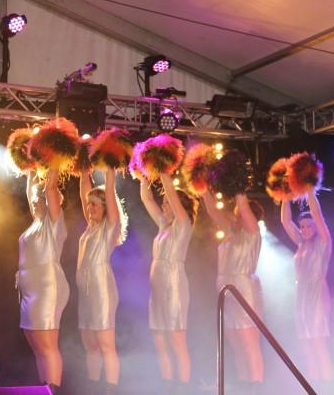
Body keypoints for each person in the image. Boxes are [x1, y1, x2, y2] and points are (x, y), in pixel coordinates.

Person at [138, 173, 197, 394]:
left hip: (174, 284)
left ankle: (183, 388)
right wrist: (143, 179)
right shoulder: (164, 225)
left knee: (176, 340)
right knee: (160, 339)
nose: (163, 206)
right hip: (158, 287)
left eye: (167, 203)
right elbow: (147, 200)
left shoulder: (184, 224)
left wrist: (162, 169)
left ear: (178, 206)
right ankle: (168, 386)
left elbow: (171, 193)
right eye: (163, 203)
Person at [202, 191, 265, 391]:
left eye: (239, 215)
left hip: (244, 290)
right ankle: (243, 386)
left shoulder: (252, 233)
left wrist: (238, 189)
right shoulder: (231, 232)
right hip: (226, 292)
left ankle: (256, 388)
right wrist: (202, 187)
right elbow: (213, 211)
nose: (235, 217)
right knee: (236, 344)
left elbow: (243, 207)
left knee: (249, 343)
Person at [16, 170, 68, 394]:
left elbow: (51, 187)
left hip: (47, 288)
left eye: (40, 198)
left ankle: (54, 390)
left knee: (47, 345)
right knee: (38, 347)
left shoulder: (53, 222)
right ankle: (44, 389)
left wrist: (53, 160)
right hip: (30, 290)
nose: (35, 201)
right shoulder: (35, 222)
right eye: (34, 198)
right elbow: (31, 190)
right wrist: (30, 166)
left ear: (50, 201)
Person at [77, 169, 127, 395]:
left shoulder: (109, 227)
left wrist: (109, 170)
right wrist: (83, 171)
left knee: (106, 344)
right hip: (86, 292)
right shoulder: (91, 228)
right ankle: (93, 387)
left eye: (94, 205)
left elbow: (109, 193)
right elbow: (84, 194)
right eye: (89, 205)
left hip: (101, 289)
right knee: (90, 344)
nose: (89, 208)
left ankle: (111, 390)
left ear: (106, 207)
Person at [281, 191, 332, 381]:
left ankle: (328, 388)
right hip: (301, 296)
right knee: (306, 346)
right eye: (302, 226)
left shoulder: (323, 241)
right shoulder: (301, 243)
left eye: (308, 225)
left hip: (317, 294)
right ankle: (312, 385)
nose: (304, 229)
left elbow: (317, 214)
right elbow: (286, 221)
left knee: (318, 344)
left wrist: (309, 190)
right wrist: (284, 195)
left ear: (316, 226)